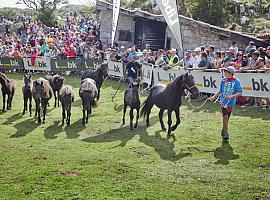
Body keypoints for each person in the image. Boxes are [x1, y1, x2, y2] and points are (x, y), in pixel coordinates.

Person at [209, 66, 243, 141]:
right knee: (225, 116)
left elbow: (240, 93)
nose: (224, 73)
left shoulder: (236, 81)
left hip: (231, 102)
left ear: (230, 73)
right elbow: (220, 90)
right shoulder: (223, 80)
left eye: (225, 71)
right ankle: (226, 134)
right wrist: (214, 97)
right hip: (223, 101)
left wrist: (231, 96)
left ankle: (223, 130)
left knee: (227, 117)